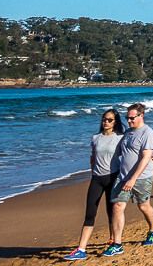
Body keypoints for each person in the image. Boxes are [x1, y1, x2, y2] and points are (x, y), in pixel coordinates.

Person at [62, 110, 124, 260]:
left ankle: (113, 240)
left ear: (115, 122)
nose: (106, 122)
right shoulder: (95, 138)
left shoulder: (120, 138)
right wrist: (93, 172)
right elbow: (93, 157)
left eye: (109, 120)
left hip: (112, 177)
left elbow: (131, 154)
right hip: (96, 179)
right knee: (90, 213)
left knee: (111, 212)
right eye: (104, 119)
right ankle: (81, 249)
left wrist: (150, 157)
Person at [103, 104, 153, 257]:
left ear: (141, 116)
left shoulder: (148, 133)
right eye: (127, 118)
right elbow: (119, 150)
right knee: (118, 206)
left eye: (132, 118)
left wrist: (133, 179)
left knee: (144, 206)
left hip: (141, 178)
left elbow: (146, 157)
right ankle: (117, 244)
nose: (129, 120)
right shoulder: (128, 132)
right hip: (123, 177)